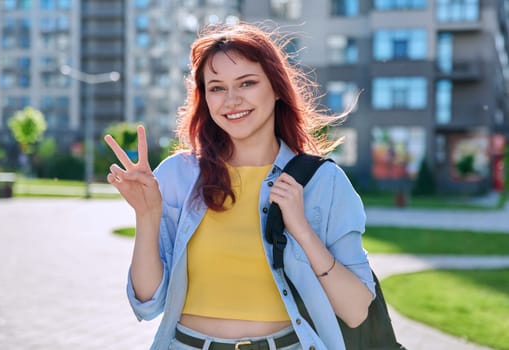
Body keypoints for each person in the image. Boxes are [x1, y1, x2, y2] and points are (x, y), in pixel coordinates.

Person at [104, 22, 375, 350]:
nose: (231, 99)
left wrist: (301, 229)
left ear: (276, 88)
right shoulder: (178, 174)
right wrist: (147, 216)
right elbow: (147, 303)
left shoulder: (323, 181)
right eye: (216, 87)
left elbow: (358, 310)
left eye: (247, 83)